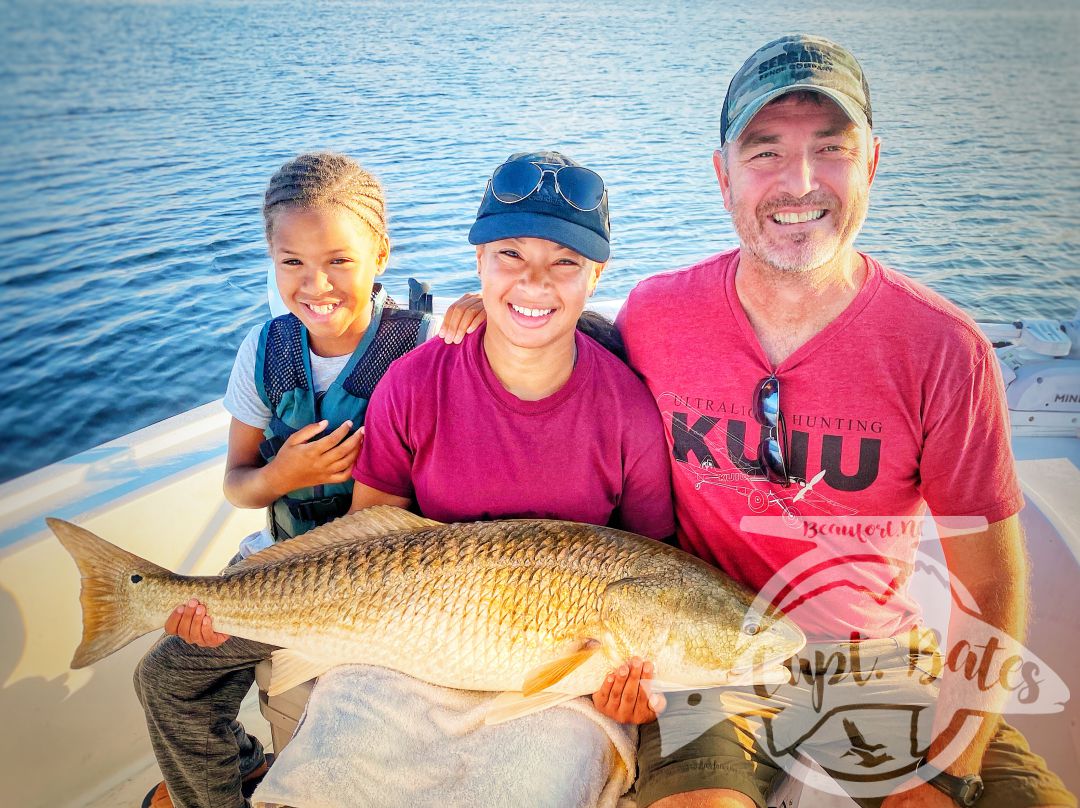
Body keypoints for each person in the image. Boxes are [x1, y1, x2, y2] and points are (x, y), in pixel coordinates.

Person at [612, 35, 1075, 808]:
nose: (799, 182)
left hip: (882, 666)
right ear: (722, 175)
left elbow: (990, 581)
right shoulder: (656, 314)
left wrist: (948, 766)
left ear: (872, 163)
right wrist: (479, 318)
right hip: (704, 666)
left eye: (830, 148)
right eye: (765, 152)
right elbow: (557, 378)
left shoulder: (942, 347)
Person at [133, 152, 432, 808]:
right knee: (166, 678)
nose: (314, 284)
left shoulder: (424, 352)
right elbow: (237, 484)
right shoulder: (263, 352)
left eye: (338, 260)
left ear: (379, 255)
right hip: (281, 568)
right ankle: (233, 776)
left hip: (397, 591)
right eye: (291, 262)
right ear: (270, 260)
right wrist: (280, 474)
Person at [350, 150, 675, 729]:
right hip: (407, 649)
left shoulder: (629, 413)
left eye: (565, 262)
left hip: (564, 686)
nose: (533, 282)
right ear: (478, 260)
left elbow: (650, 570)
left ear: (597, 276)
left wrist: (632, 683)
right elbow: (359, 544)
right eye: (509, 254)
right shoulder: (411, 383)